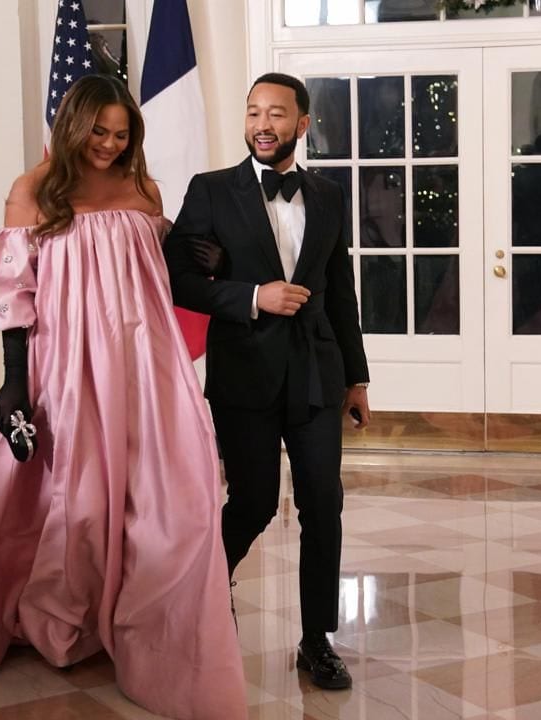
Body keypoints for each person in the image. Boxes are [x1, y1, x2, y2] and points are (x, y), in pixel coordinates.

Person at [0, 74, 246, 720]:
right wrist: (12, 382)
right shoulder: (33, 192)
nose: (110, 144)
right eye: (99, 132)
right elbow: (10, 295)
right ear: (73, 125)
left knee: (173, 500)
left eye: (121, 134)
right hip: (70, 366)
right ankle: (63, 618)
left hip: (147, 367)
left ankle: (156, 624)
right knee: (75, 504)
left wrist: (199, 256)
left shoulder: (144, 190)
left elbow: (159, 273)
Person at [164, 72, 370, 690]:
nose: (262, 124)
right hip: (244, 375)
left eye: (276, 114)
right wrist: (254, 296)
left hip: (315, 375)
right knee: (252, 502)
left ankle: (316, 639)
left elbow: (340, 291)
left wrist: (356, 377)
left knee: (323, 506)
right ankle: (200, 597)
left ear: (301, 125)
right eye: (253, 111)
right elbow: (179, 280)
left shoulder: (329, 195)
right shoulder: (210, 191)